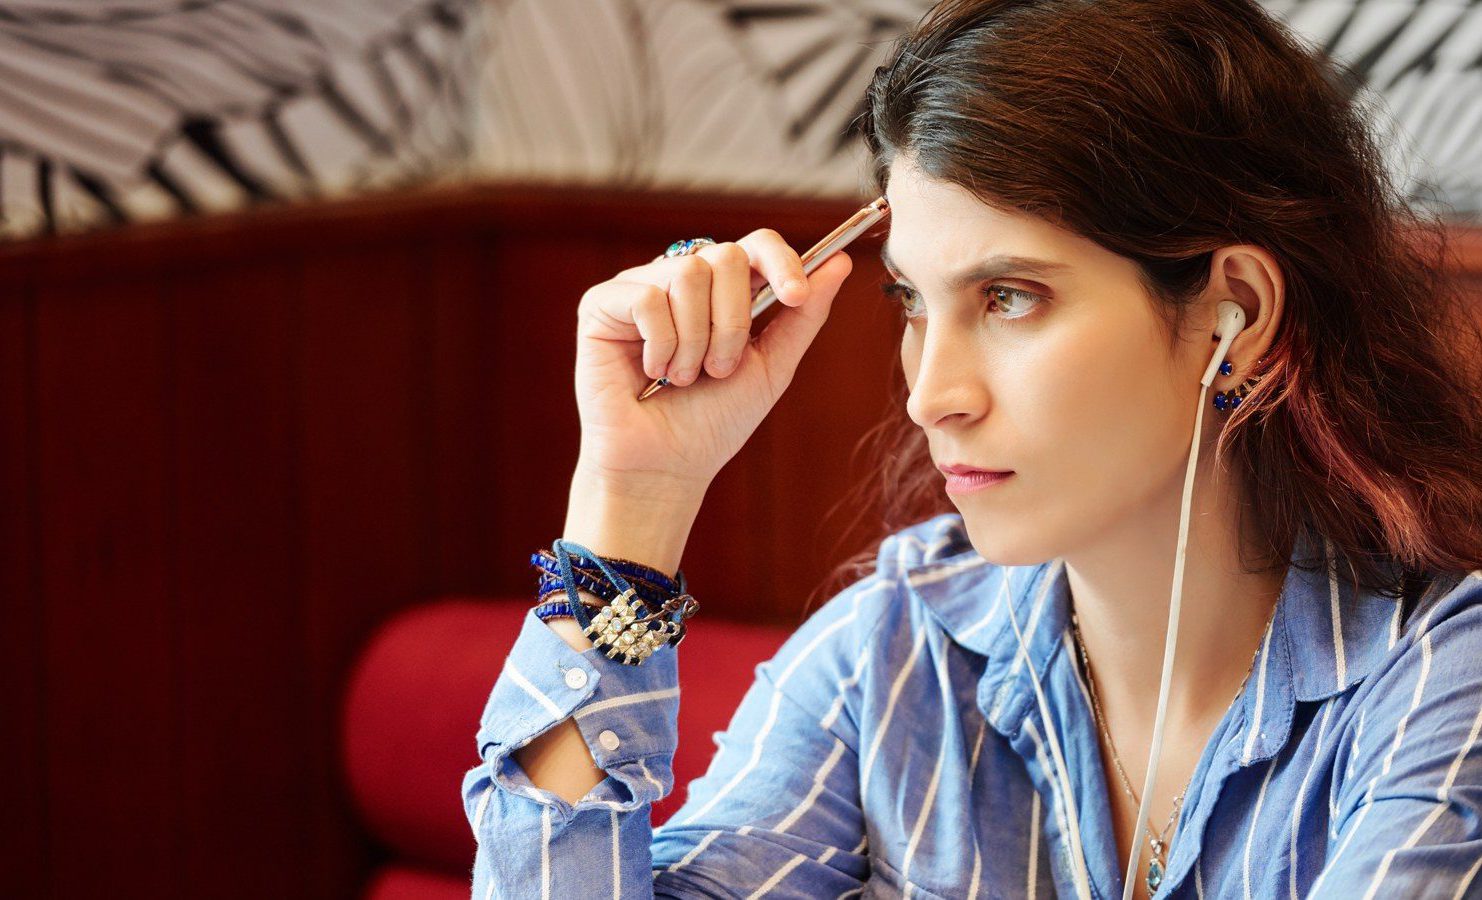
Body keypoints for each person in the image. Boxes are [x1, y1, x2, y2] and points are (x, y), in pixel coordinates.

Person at [461, 0, 1482, 896]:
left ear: (1238, 313)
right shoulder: (893, 657)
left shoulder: (1440, 681)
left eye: (1009, 297)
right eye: (912, 300)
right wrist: (632, 495)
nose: (929, 396)